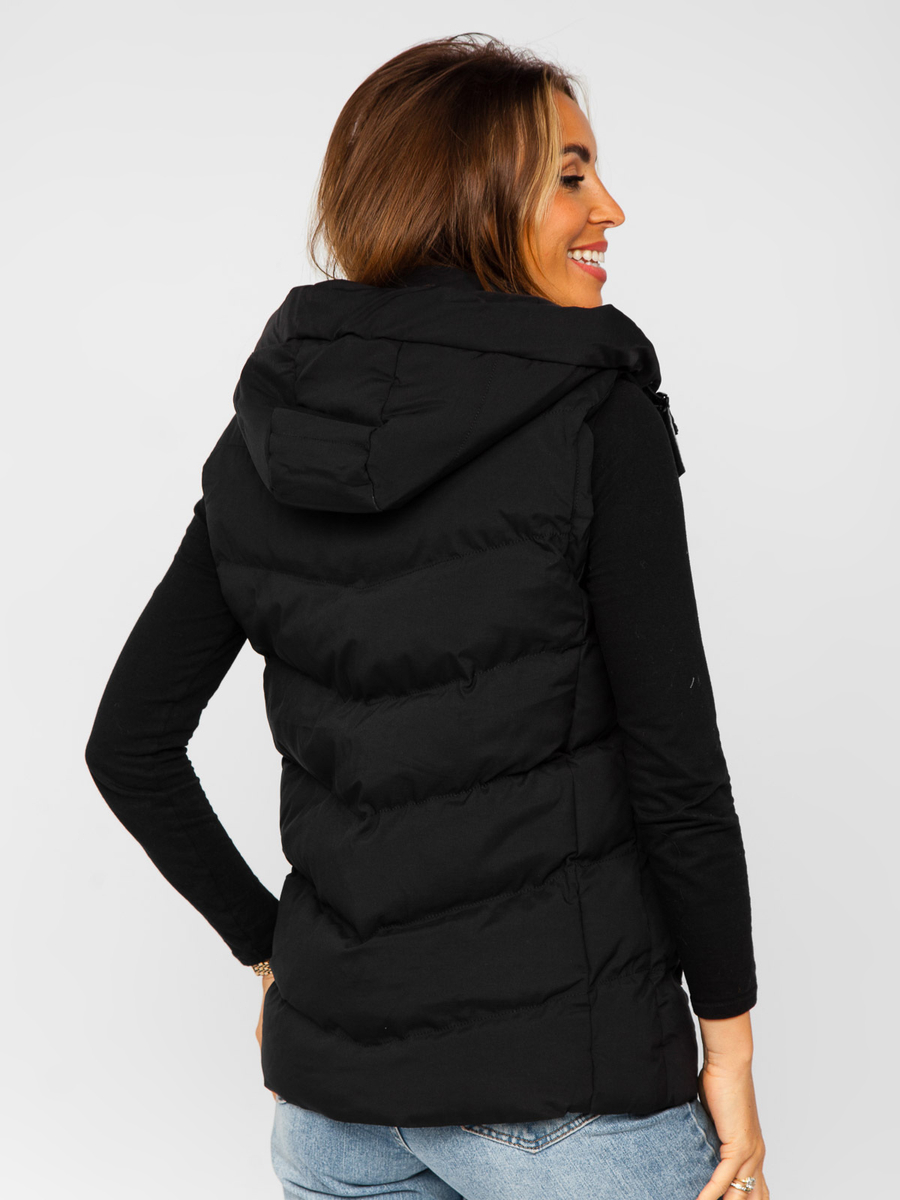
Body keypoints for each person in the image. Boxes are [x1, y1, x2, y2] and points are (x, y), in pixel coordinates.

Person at [84, 32, 769, 1200]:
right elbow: (677, 768)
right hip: (569, 1100)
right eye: (571, 175)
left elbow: (127, 746)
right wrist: (733, 1048)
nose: (610, 207)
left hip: (334, 1118)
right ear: (472, 195)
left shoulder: (270, 434)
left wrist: (274, 956)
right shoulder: (593, 414)